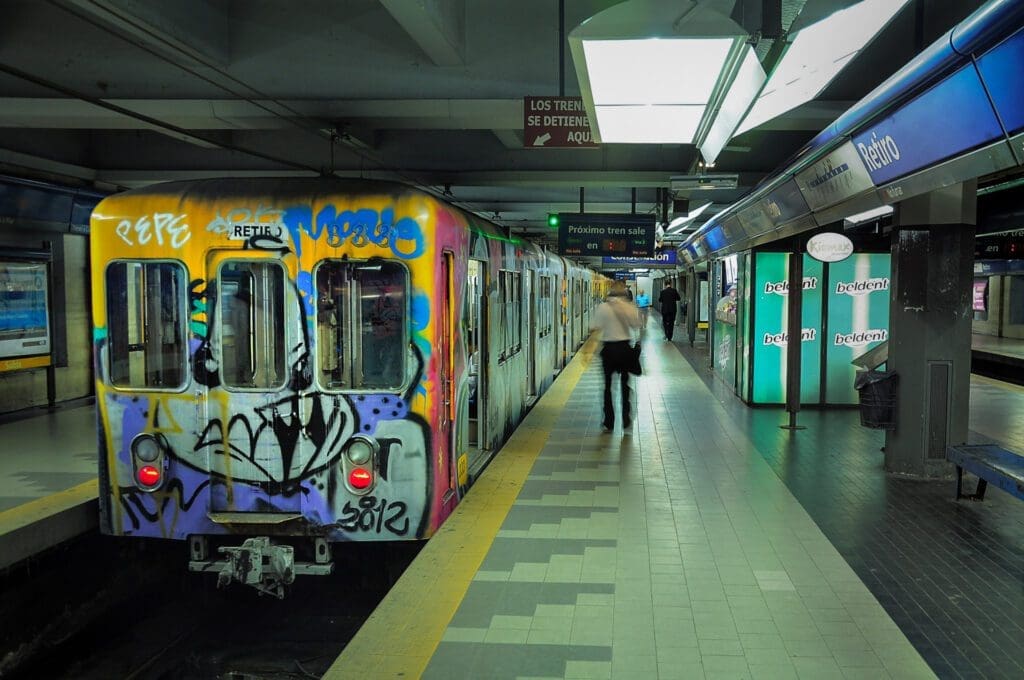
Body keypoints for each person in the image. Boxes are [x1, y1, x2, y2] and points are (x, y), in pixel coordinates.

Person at [592, 280, 641, 434]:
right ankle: (626, 419)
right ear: (625, 292)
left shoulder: (603, 307)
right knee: (625, 384)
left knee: (607, 386)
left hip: (608, 349)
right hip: (625, 348)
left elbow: (595, 327)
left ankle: (609, 421)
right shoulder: (629, 306)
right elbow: (636, 325)